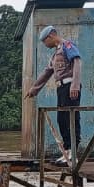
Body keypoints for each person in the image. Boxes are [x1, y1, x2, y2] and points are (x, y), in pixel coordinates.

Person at [24, 24, 82, 166]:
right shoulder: (55, 54)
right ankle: (67, 152)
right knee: (62, 120)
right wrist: (34, 89)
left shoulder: (67, 45)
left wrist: (75, 85)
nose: (45, 44)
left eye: (45, 41)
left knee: (71, 119)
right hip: (61, 88)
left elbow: (77, 62)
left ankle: (74, 154)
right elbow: (47, 73)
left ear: (51, 36)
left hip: (70, 87)